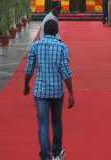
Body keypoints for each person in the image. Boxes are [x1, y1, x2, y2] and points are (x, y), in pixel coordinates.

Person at [24, 17, 75, 160]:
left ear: (44, 31)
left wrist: (26, 85)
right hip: (57, 92)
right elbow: (66, 72)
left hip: (40, 92)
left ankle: (46, 156)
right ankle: (57, 152)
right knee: (57, 121)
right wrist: (71, 93)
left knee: (43, 124)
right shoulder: (62, 47)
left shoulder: (35, 46)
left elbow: (29, 70)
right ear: (57, 32)